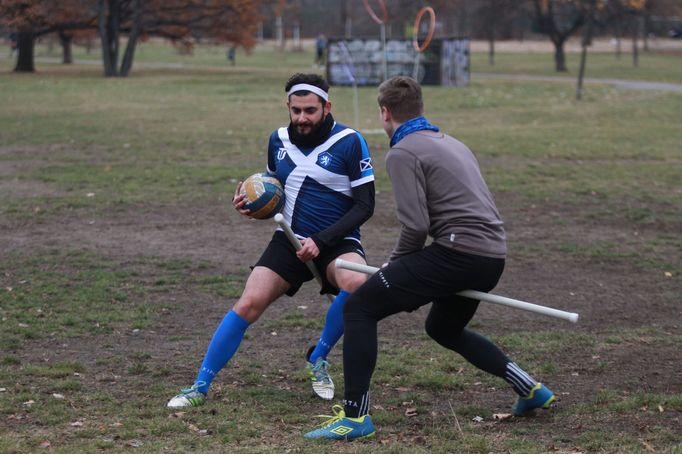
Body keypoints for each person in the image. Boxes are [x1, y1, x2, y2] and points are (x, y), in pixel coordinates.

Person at [305, 76, 556, 440]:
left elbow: (416, 225)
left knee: (359, 307)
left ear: (385, 112)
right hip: (492, 256)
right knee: (443, 328)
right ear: (419, 108)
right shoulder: (452, 142)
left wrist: (395, 264)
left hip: (457, 253)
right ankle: (531, 390)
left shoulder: (403, 151)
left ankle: (355, 417)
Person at [167, 73, 376, 408]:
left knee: (357, 283)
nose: (303, 118)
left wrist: (322, 240)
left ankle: (317, 357)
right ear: (288, 107)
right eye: (296, 110)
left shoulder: (351, 141)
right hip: (290, 240)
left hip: (336, 239)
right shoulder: (277, 140)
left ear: (327, 106)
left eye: (310, 110)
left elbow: (366, 205)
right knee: (249, 302)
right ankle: (199, 386)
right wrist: (251, 205)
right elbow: (275, 189)